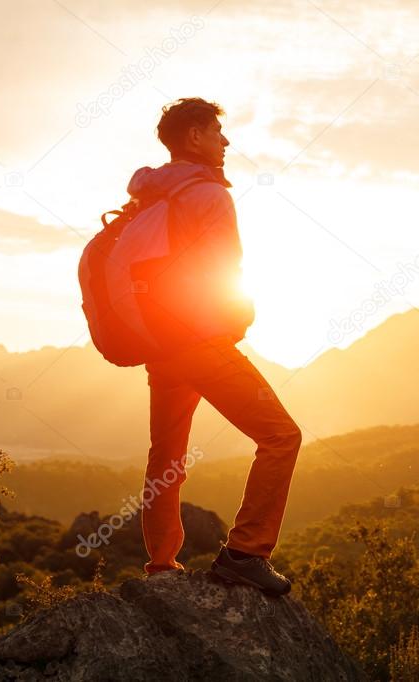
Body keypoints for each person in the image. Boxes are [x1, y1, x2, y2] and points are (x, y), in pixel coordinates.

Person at [127, 97, 301, 597]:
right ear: (195, 137)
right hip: (199, 339)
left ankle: (161, 563)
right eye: (217, 132)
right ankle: (245, 553)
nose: (226, 142)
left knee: (167, 455)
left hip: (159, 344)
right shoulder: (207, 194)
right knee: (281, 436)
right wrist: (237, 318)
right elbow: (225, 271)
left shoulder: (152, 194)